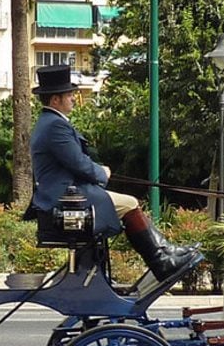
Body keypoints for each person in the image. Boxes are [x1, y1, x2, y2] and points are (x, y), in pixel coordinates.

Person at [27, 64, 198, 281]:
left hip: (68, 194)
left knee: (128, 202)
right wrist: (101, 173)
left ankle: (165, 253)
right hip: (66, 198)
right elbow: (77, 162)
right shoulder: (55, 126)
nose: (73, 99)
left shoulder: (49, 123)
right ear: (55, 100)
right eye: (69, 95)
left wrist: (99, 171)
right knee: (130, 203)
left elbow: (73, 160)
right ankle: (162, 260)